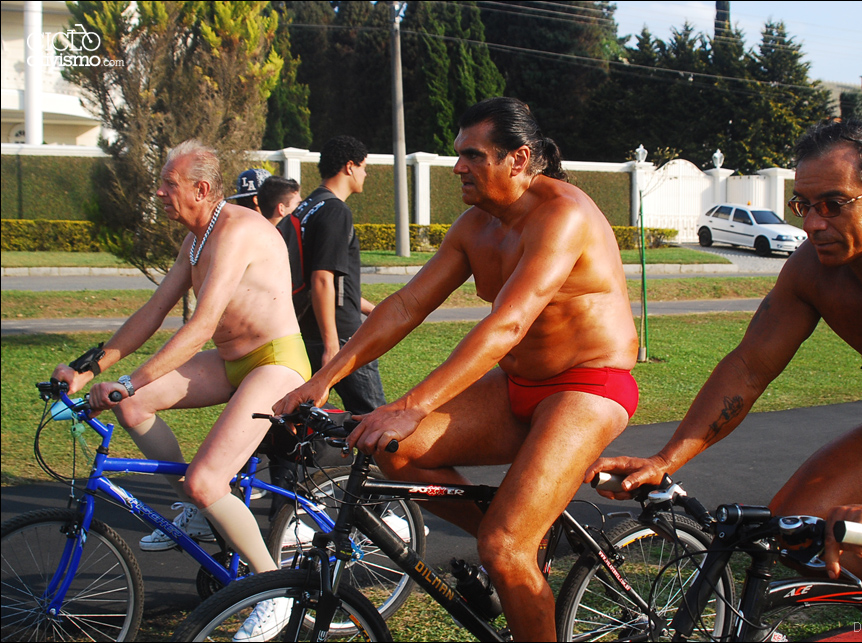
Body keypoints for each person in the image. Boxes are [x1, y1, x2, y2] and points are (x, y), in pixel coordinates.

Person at [276, 97, 640, 641]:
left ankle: (515, 543)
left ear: (518, 160)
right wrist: (321, 379)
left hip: (588, 385)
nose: (457, 167)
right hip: (518, 385)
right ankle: (526, 536)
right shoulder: (476, 225)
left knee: (503, 548)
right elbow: (406, 305)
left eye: (473, 155)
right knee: (394, 450)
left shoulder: (563, 215)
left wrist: (409, 406)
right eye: (457, 154)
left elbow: (508, 325)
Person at [586, 118, 862, 638]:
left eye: (833, 204)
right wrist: (664, 460)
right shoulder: (812, 269)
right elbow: (750, 366)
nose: (813, 224)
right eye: (803, 205)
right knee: (797, 530)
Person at [52, 140, 311, 641]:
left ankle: (274, 590)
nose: (159, 192)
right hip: (232, 361)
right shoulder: (195, 240)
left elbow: (201, 326)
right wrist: (89, 369)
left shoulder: (235, 230)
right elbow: (153, 312)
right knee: (135, 409)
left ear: (201, 188)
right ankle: (196, 513)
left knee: (205, 478)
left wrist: (128, 381)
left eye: (168, 183)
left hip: (275, 362)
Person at [296, 135, 386, 414]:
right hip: (341, 335)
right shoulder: (336, 211)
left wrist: (371, 309)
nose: (365, 174)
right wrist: (332, 344)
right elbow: (322, 278)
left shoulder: (307, 206)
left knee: (300, 412)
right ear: (349, 166)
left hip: (305, 327)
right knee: (372, 417)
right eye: (363, 167)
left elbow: (334, 281)